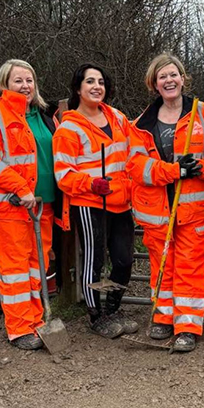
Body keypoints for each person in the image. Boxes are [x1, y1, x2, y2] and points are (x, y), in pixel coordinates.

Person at [127, 53, 204, 352]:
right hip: (156, 210)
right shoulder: (142, 122)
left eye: (173, 75)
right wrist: (174, 171)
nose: (169, 80)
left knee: (190, 268)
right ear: (154, 84)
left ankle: (188, 326)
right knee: (162, 266)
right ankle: (163, 317)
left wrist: (202, 168)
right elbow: (135, 166)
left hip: (192, 209)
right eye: (162, 76)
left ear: (183, 78)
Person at [0, 59, 60, 350]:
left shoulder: (44, 116)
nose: (25, 86)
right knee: (15, 268)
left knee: (37, 265)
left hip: (42, 206)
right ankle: (20, 328)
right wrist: (20, 188)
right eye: (18, 81)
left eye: (29, 80)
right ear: (3, 85)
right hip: (10, 207)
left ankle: (36, 319)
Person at [53, 63, 140, 338]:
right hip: (91, 204)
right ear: (78, 88)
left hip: (121, 200)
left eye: (100, 82)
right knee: (94, 260)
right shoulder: (69, 129)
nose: (96, 87)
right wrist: (91, 183)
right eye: (90, 81)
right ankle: (95, 315)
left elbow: (134, 151)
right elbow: (63, 175)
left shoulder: (117, 118)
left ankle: (113, 308)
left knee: (124, 260)